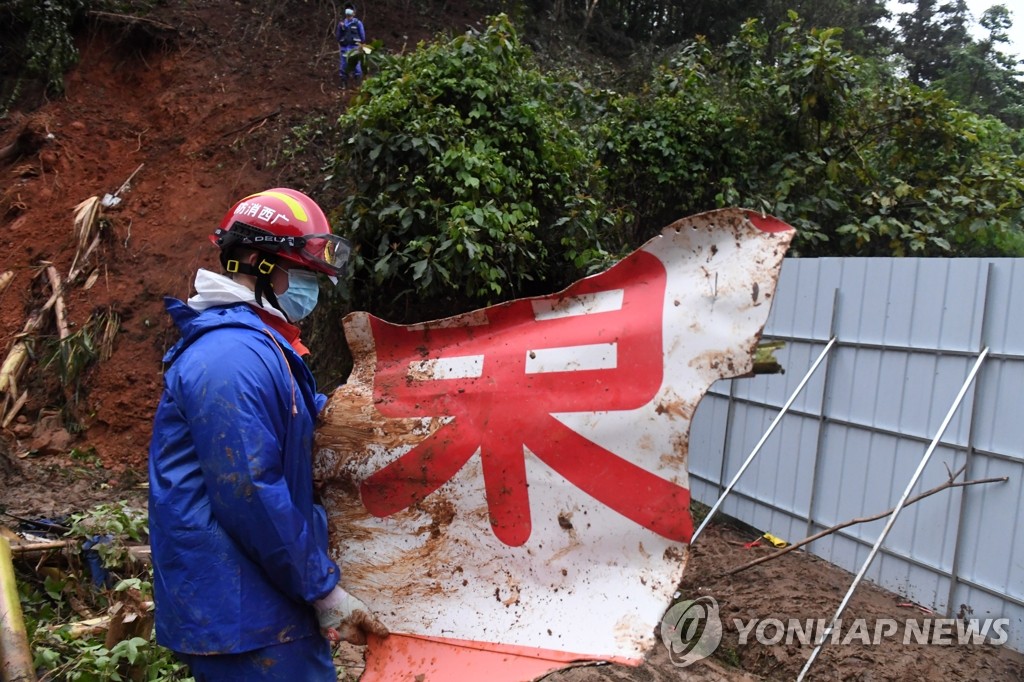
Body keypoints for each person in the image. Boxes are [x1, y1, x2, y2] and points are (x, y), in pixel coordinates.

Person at [147, 188, 389, 681]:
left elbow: (298, 429)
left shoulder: (259, 347)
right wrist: (322, 589)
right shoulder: (231, 357)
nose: (311, 289)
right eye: (302, 274)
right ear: (257, 264)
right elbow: (251, 491)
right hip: (245, 611)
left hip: (258, 602)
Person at [336, 2, 366, 89]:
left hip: (355, 47)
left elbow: (362, 36)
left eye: (350, 9)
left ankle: (358, 84)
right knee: (343, 66)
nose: (348, 11)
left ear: (354, 12)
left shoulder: (358, 23)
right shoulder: (341, 24)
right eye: (347, 9)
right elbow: (338, 36)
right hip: (344, 47)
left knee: (356, 66)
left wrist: (362, 45)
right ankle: (343, 83)